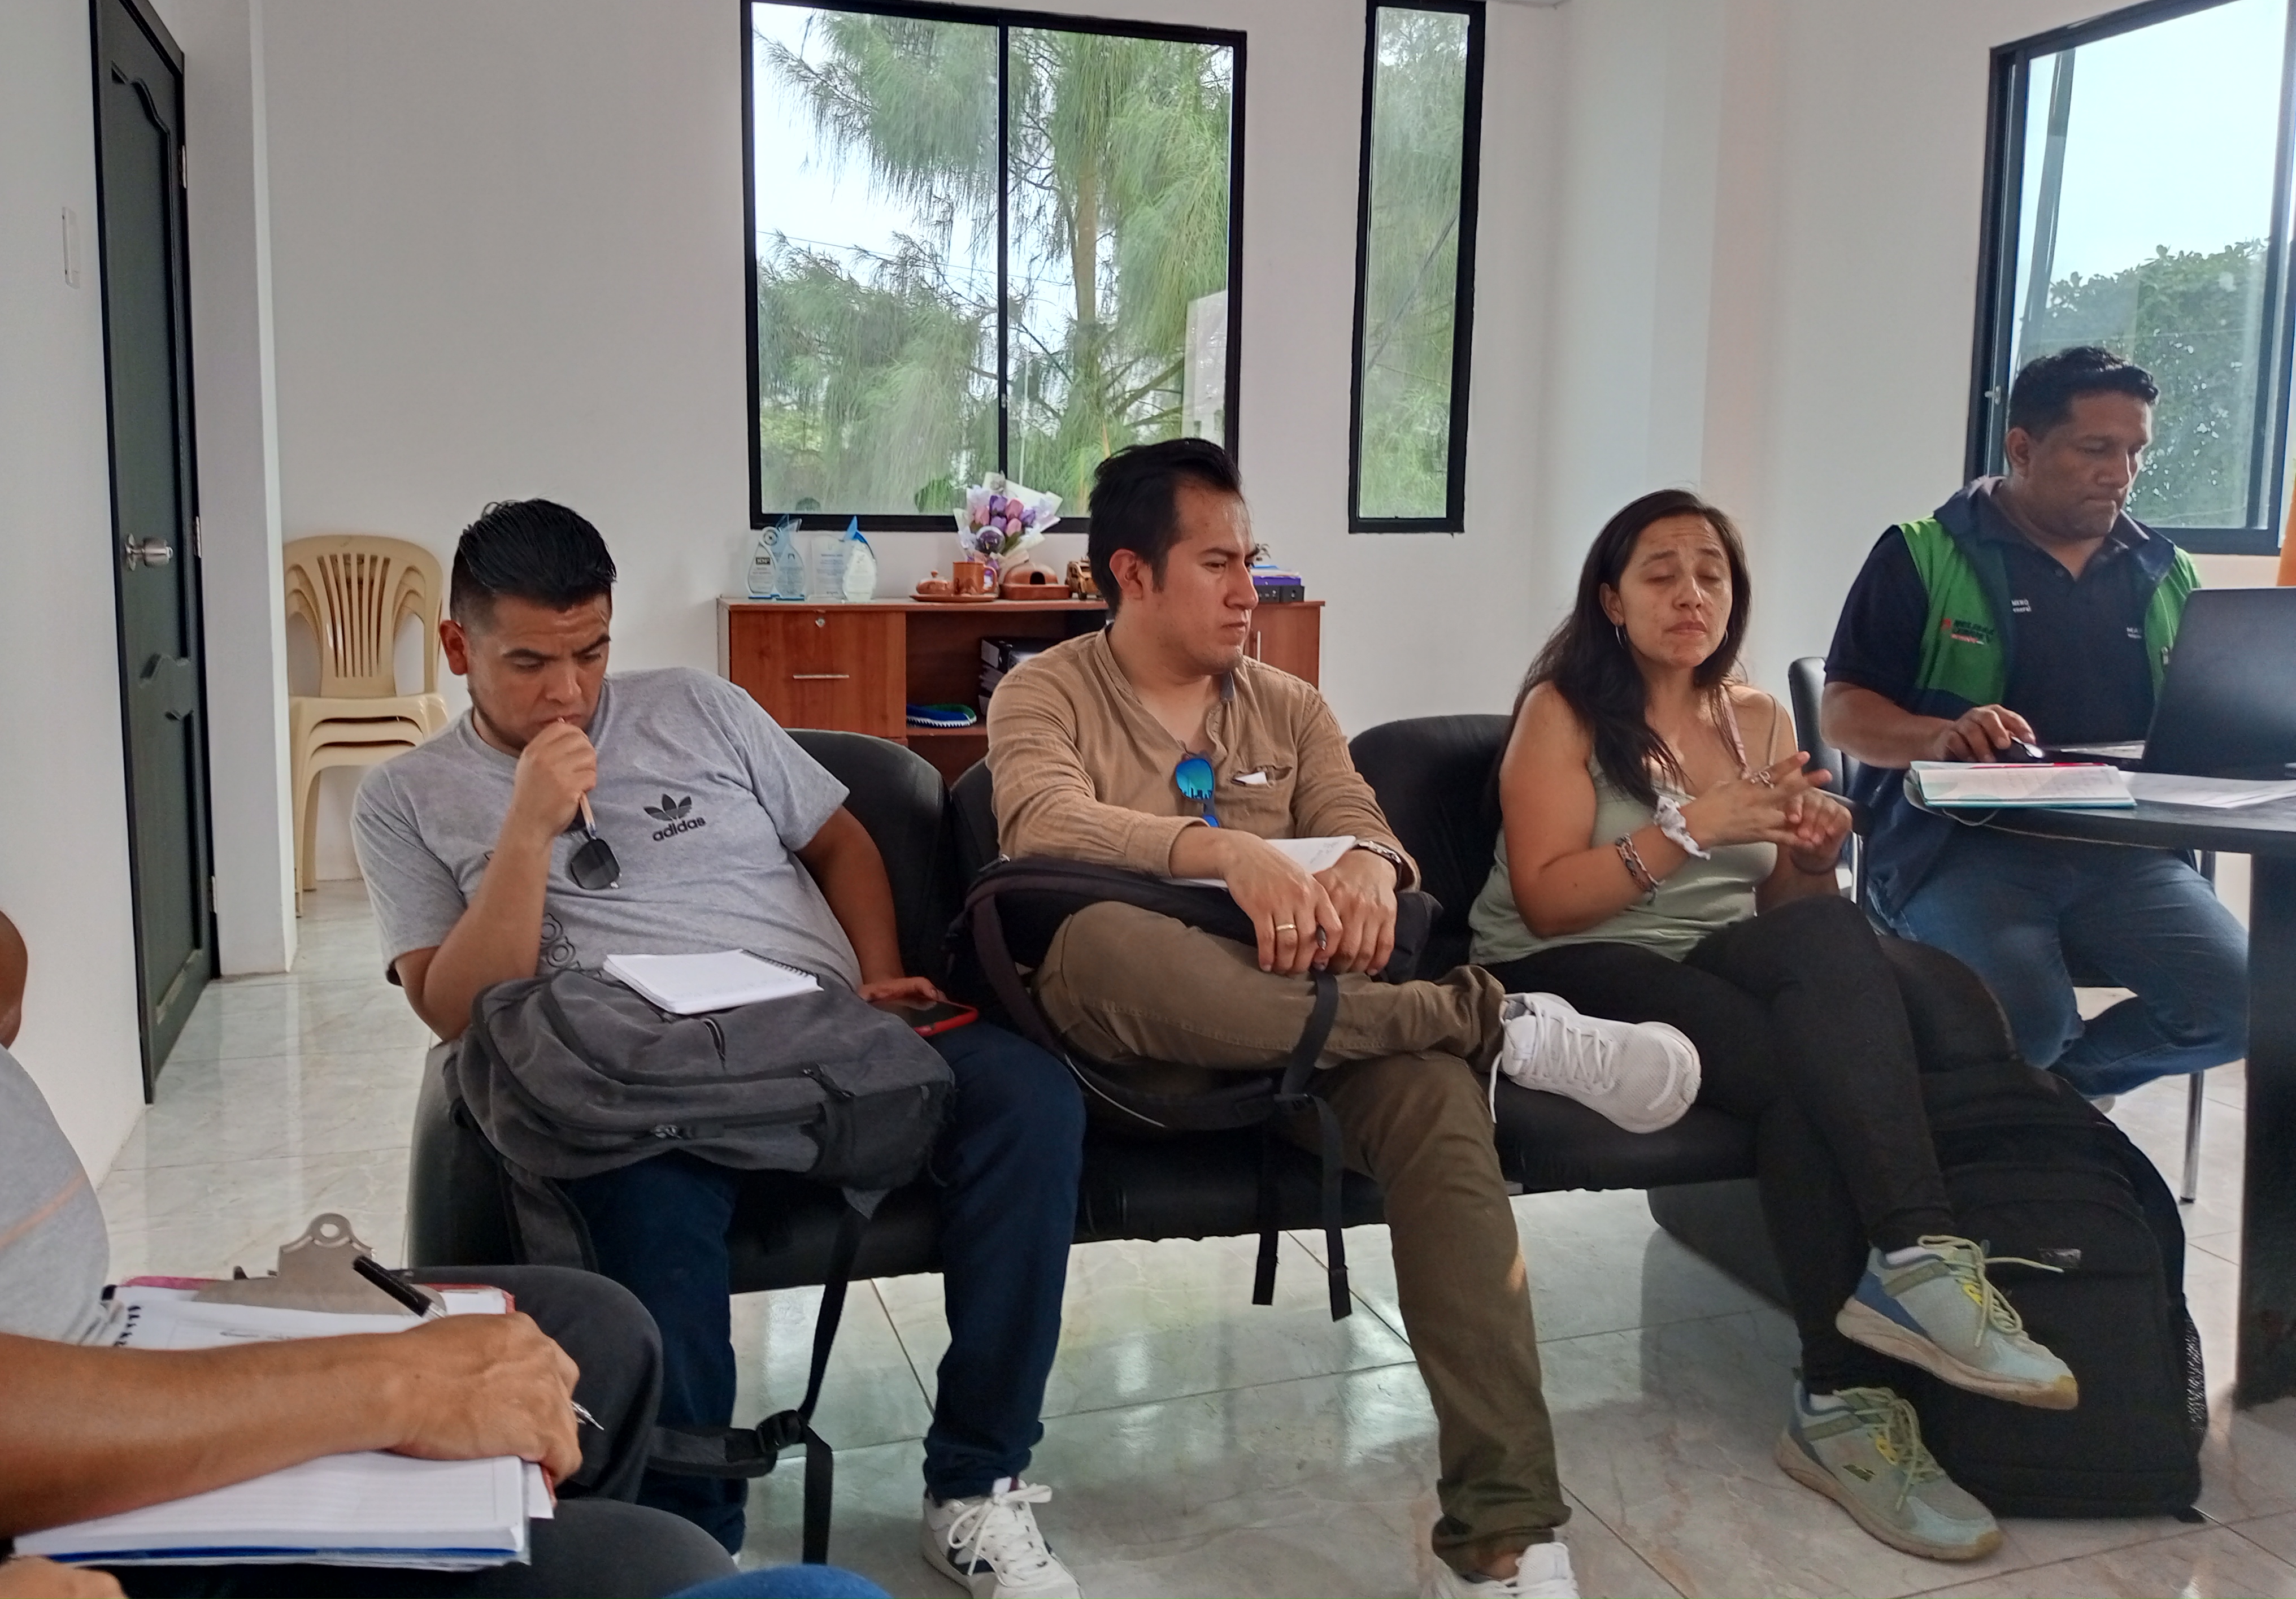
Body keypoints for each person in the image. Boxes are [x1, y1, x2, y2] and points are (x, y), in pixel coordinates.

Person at [986, 439, 1703, 1599]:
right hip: (1138, 1039)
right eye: (1218, 563)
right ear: (1132, 572)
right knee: (1110, 938)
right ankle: (1490, 1020)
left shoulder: (1290, 706)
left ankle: (1506, 1534)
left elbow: (1366, 825)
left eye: (1253, 560)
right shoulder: (1044, 692)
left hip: (1319, 1034)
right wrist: (1223, 852)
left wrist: (1370, 865)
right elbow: (1040, 823)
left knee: (1436, 1108)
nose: (1249, 589)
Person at [351, 501, 1087, 1598]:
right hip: (639, 1075)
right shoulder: (404, 798)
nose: (568, 692)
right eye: (530, 663)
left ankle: (978, 1482)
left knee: (1029, 1101)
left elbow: (841, 841)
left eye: (591, 652)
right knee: (640, 1201)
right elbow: (457, 1012)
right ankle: (700, 1548)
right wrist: (527, 829)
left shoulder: (697, 706)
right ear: (459, 648)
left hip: (821, 1031)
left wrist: (878, 972)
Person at [1467, 489, 2080, 1564]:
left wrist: (1810, 857)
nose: (1691, 594)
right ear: (1612, 599)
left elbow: (1783, 911)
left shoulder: (1755, 719)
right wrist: (1689, 827)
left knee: (1846, 941)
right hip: (1568, 963)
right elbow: (1551, 900)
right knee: (1803, 1076)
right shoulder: (1562, 712)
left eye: (1711, 574)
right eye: (1661, 574)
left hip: (1707, 958)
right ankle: (1850, 1393)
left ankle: (1913, 1267)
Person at [0, 903, 790, 1599]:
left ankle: (524, 1527)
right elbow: (458, 1005)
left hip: (86, 1341)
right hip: (43, 1508)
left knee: (600, 1327)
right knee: (653, 1564)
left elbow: (6, 998)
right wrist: (393, 1386)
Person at [1823, 346, 2247, 1098]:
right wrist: (1938, 736)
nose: (2121, 473)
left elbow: (2206, 723)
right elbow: (1844, 711)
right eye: (2096, 449)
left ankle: (2049, 1104)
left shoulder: (2166, 572)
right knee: (2028, 1026)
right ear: (2022, 447)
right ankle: (2025, 1097)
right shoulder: (1921, 554)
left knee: (2246, 1007)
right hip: (1958, 847)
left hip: (2124, 852)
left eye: (2135, 451)